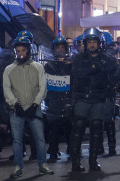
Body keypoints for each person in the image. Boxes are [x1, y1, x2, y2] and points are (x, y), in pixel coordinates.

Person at [69, 28, 120, 173]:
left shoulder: (106, 59)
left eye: (94, 42)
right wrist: (94, 67)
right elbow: (77, 73)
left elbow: (118, 72)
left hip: (99, 98)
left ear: (100, 43)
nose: (92, 45)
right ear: (85, 43)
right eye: (89, 42)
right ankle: (75, 162)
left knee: (97, 130)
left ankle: (93, 161)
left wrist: (112, 81)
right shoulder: (79, 58)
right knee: (78, 129)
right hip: (82, 97)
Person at [2, 34, 54, 178]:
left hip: (34, 108)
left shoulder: (38, 67)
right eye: (18, 51)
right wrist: (15, 104)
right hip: (16, 110)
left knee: (40, 139)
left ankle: (43, 165)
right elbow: (7, 89)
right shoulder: (9, 69)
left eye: (23, 50)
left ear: (29, 50)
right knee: (17, 141)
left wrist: (35, 104)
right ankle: (18, 167)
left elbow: (43, 87)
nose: (20, 53)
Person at [43, 35, 73, 163]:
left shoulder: (71, 65)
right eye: (57, 47)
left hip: (68, 99)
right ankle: (53, 150)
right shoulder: (49, 65)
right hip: (54, 99)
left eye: (62, 47)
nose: (60, 49)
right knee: (54, 127)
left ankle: (72, 149)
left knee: (69, 126)